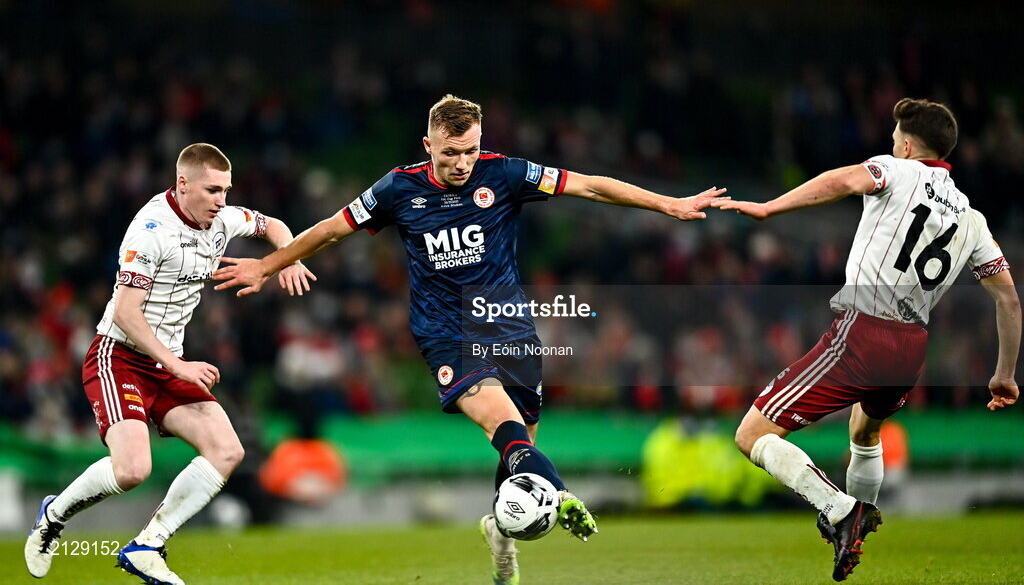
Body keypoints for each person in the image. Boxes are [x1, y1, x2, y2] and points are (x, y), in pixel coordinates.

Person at [213, 94, 726, 584]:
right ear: (428, 145)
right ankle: (560, 493)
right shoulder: (397, 189)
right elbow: (330, 229)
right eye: (451, 152)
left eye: (471, 151)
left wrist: (668, 204)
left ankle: (502, 534)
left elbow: (590, 187)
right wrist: (266, 265)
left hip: (511, 329)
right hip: (446, 334)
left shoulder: (505, 174)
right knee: (505, 426)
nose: (462, 163)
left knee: (518, 454)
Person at [717, 98, 1020, 581]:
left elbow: (842, 181)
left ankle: (841, 511)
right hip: (912, 348)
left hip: (864, 331)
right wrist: (1004, 374)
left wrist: (770, 207)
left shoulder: (894, 170)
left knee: (751, 435)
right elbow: (1008, 300)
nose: (891, 145)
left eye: (895, 139)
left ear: (907, 145)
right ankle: (855, 534)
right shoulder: (972, 219)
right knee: (864, 432)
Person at [24, 144, 315, 585]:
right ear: (183, 184)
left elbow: (272, 224)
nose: (221, 200)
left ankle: (148, 545)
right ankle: (53, 516)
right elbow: (126, 313)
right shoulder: (151, 230)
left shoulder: (223, 219)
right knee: (132, 470)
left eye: (226, 190)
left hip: (167, 363)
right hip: (119, 356)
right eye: (212, 190)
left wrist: (287, 257)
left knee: (228, 450)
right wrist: (178, 365)